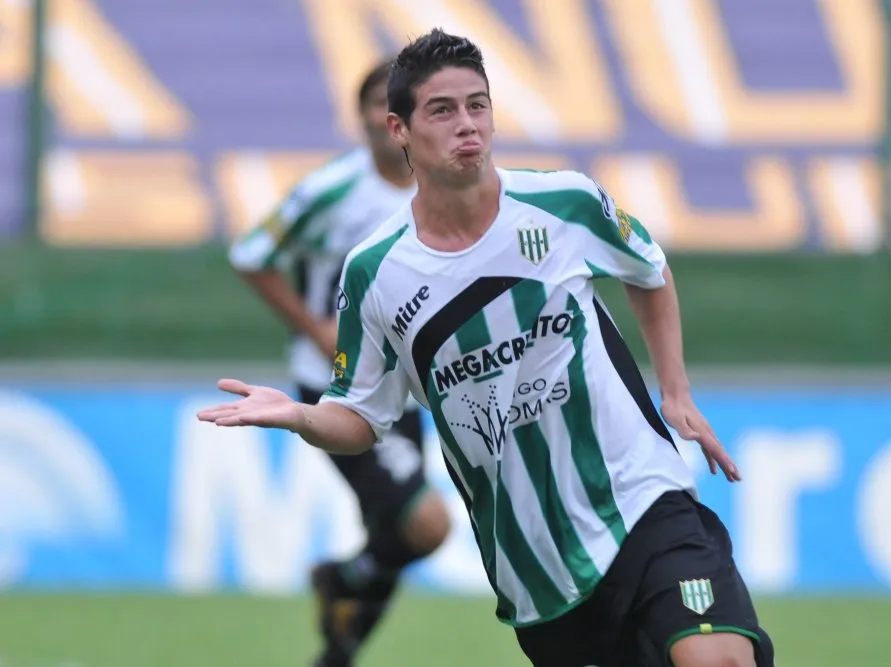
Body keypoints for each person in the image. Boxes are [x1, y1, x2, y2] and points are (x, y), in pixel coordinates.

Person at [203, 29, 775, 667]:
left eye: (478, 105)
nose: (467, 124)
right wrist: (302, 416)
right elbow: (361, 416)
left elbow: (648, 268)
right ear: (400, 129)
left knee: (720, 659)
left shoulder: (565, 202)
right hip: (533, 563)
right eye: (442, 111)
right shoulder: (375, 269)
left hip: (640, 495)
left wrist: (675, 391)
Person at [226, 60, 451, 667]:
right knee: (425, 525)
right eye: (374, 104)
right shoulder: (332, 189)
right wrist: (316, 326)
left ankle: (337, 641)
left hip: (406, 386)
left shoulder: (444, 187)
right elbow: (251, 254)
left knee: (393, 529)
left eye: (395, 104)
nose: (384, 117)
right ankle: (344, 580)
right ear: (362, 118)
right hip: (338, 385)